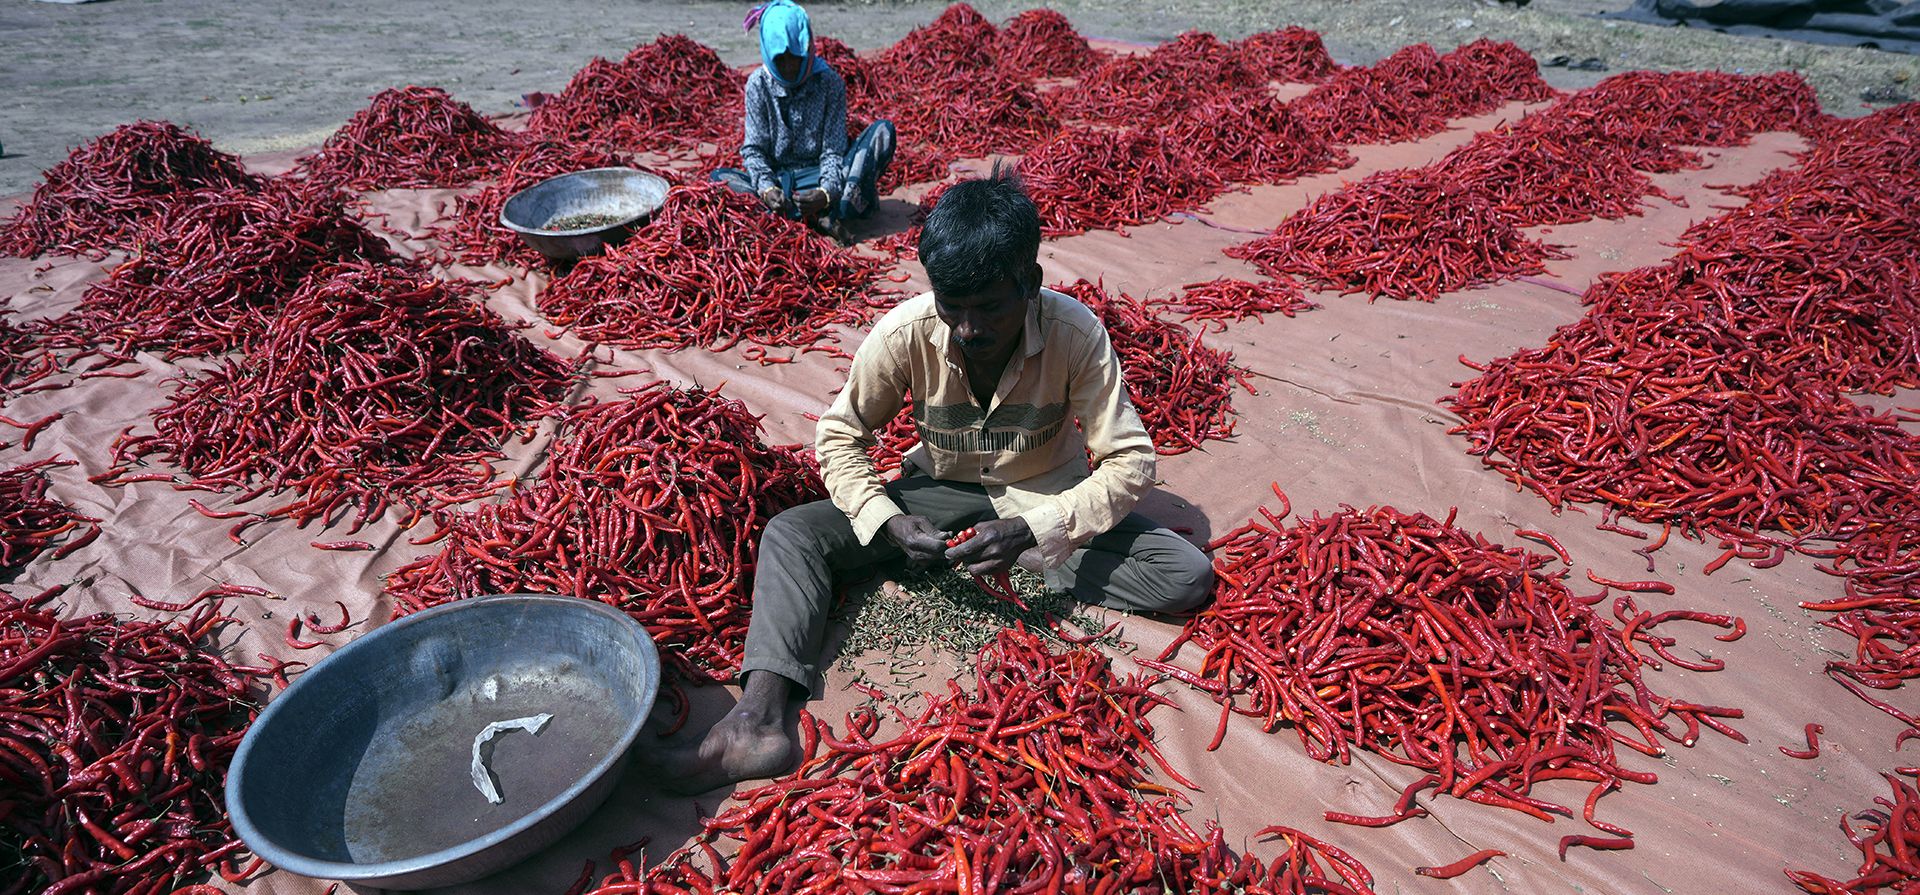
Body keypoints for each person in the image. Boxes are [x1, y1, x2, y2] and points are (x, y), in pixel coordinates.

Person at [663, 170, 1214, 793]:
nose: (969, 330)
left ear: (1030, 285)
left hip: (1042, 499)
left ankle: (1011, 556)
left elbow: (1131, 460)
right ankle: (758, 719)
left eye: (990, 309)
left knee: (1185, 575)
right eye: (953, 308)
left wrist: (1033, 529)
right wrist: (887, 519)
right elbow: (839, 436)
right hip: (939, 492)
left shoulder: (1074, 333)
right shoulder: (905, 332)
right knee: (793, 534)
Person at [709, 0, 895, 238]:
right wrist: (767, 189)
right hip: (780, 182)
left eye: (794, 57)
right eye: (780, 59)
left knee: (883, 132)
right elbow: (754, 150)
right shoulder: (758, 85)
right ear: (767, 52)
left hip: (821, 174)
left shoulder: (829, 83)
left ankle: (822, 208)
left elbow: (833, 150)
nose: (788, 67)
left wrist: (825, 192)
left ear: (806, 49)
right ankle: (822, 215)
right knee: (718, 179)